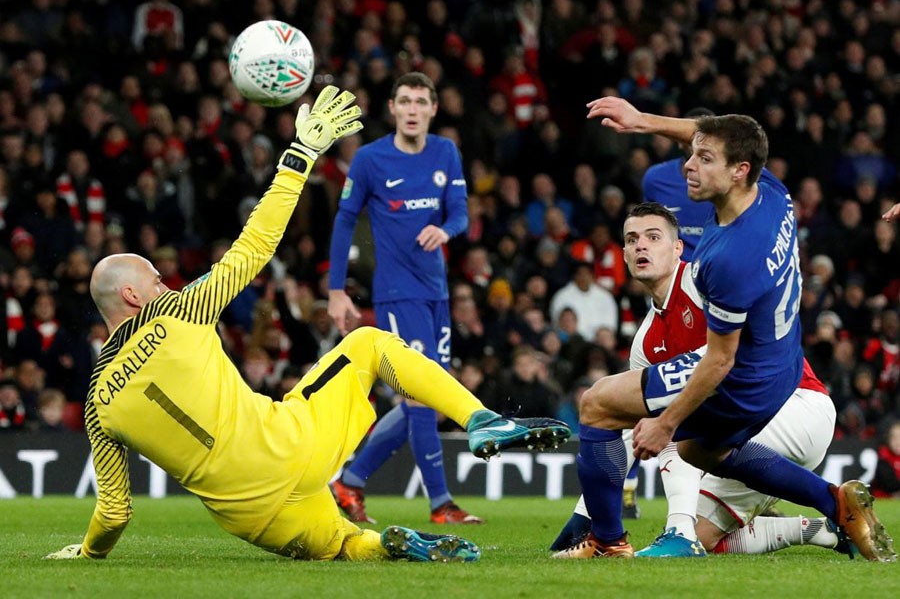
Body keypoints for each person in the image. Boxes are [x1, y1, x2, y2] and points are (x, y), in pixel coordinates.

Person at [43, 86, 570, 563]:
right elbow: (255, 245)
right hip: (288, 448)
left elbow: (114, 513)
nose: (167, 285)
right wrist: (299, 156)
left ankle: (383, 543)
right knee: (365, 342)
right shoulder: (176, 311)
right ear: (134, 295)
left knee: (339, 544)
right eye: (157, 279)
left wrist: (88, 554)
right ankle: (479, 419)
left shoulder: (96, 401)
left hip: (252, 515)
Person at [553, 96, 894, 562]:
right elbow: (707, 133)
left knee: (596, 404)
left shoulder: (724, 260)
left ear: (738, 171)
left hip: (748, 379)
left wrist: (664, 423)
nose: (688, 167)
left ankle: (609, 541)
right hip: (782, 364)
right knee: (700, 451)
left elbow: (719, 359)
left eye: (703, 160)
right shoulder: (772, 192)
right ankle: (831, 503)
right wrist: (643, 122)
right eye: (693, 154)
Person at [551, 203, 849, 558]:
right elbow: (626, 431)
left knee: (677, 418)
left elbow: (734, 358)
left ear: (677, 248)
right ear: (625, 255)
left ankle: (678, 532)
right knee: (709, 537)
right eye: (631, 240)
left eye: (653, 237)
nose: (640, 246)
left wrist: (668, 418)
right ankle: (827, 528)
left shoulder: (704, 282)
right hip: (752, 441)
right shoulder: (646, 342)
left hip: (795, 406)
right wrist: (584, 512)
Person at [327, 73, 479, 525]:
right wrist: (336, 291)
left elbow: (461, 214)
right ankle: (440, 504)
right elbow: (342, 221)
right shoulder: (371, 160)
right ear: (392, 108)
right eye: (405, 101)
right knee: (420, 397)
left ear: (434, 109)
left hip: (437, 292)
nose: (413, 109)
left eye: (421, 102)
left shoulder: (445, 152)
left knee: (429, 395)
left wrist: (446, 229)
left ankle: (349, 482)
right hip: (396, 294)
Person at [641, 108, 715, 262]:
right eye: (692, 136)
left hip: (719, 274)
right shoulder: (655, 179)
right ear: (679, 142)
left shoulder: (736, 181)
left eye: (706, 137)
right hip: (673, 276)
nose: (698, 143)